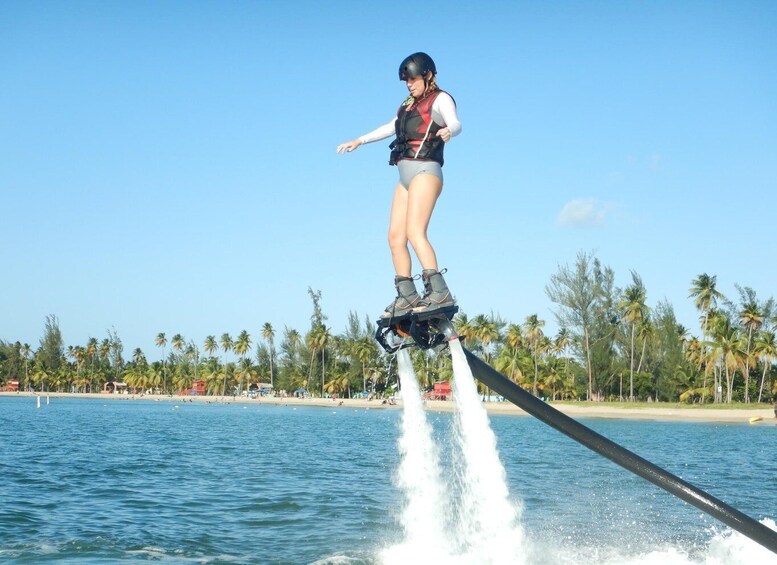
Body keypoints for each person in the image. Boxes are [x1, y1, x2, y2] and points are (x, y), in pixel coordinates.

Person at [337, 52, 462, 319]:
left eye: (413, 79)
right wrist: (360, 140)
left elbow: (455, 121)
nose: (409, 84)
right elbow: (391, 127)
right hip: (404, 177)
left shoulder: (440, 99)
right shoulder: (407, 105)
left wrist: (450, 130)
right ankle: (407, 296)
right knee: (395, 237)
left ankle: (439, 292)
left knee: (415, 231)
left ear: (428, 75)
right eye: (406, 80)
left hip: (426, 171)